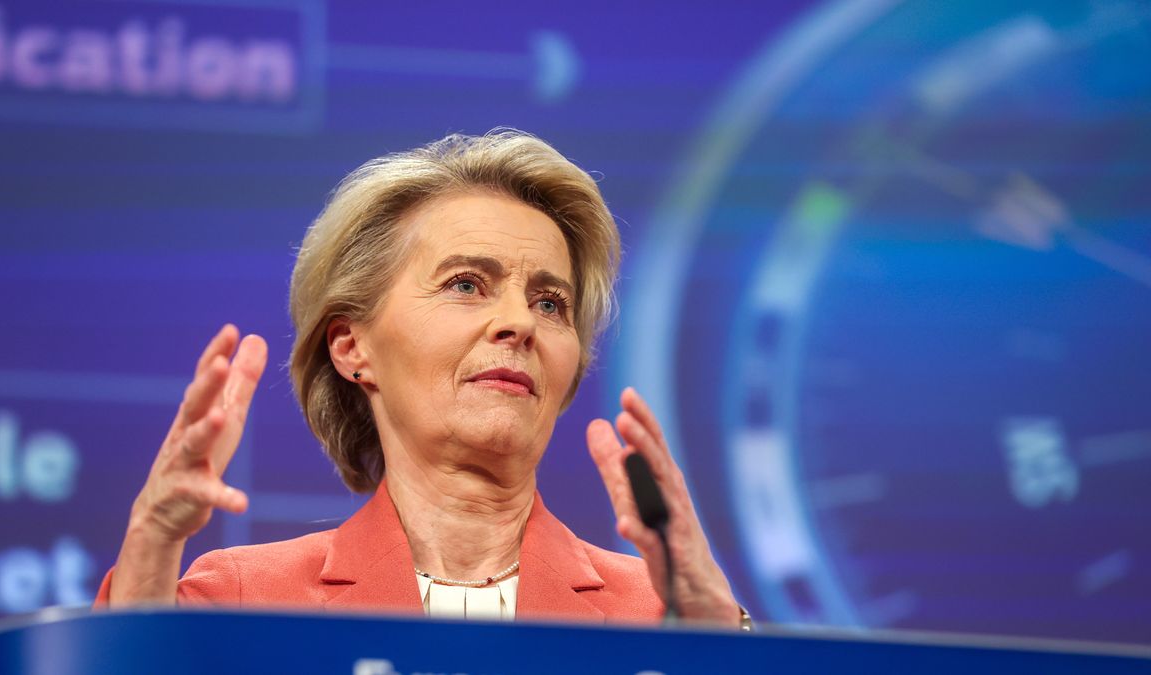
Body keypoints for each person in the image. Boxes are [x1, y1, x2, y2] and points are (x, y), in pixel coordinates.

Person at [98, 130, 745, 626]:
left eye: (551, 303)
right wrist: (154, 533)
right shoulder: (248, 602)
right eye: (467, 284)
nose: (519, 321)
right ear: (353, 348)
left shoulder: (660, 618)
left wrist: (719, 637)